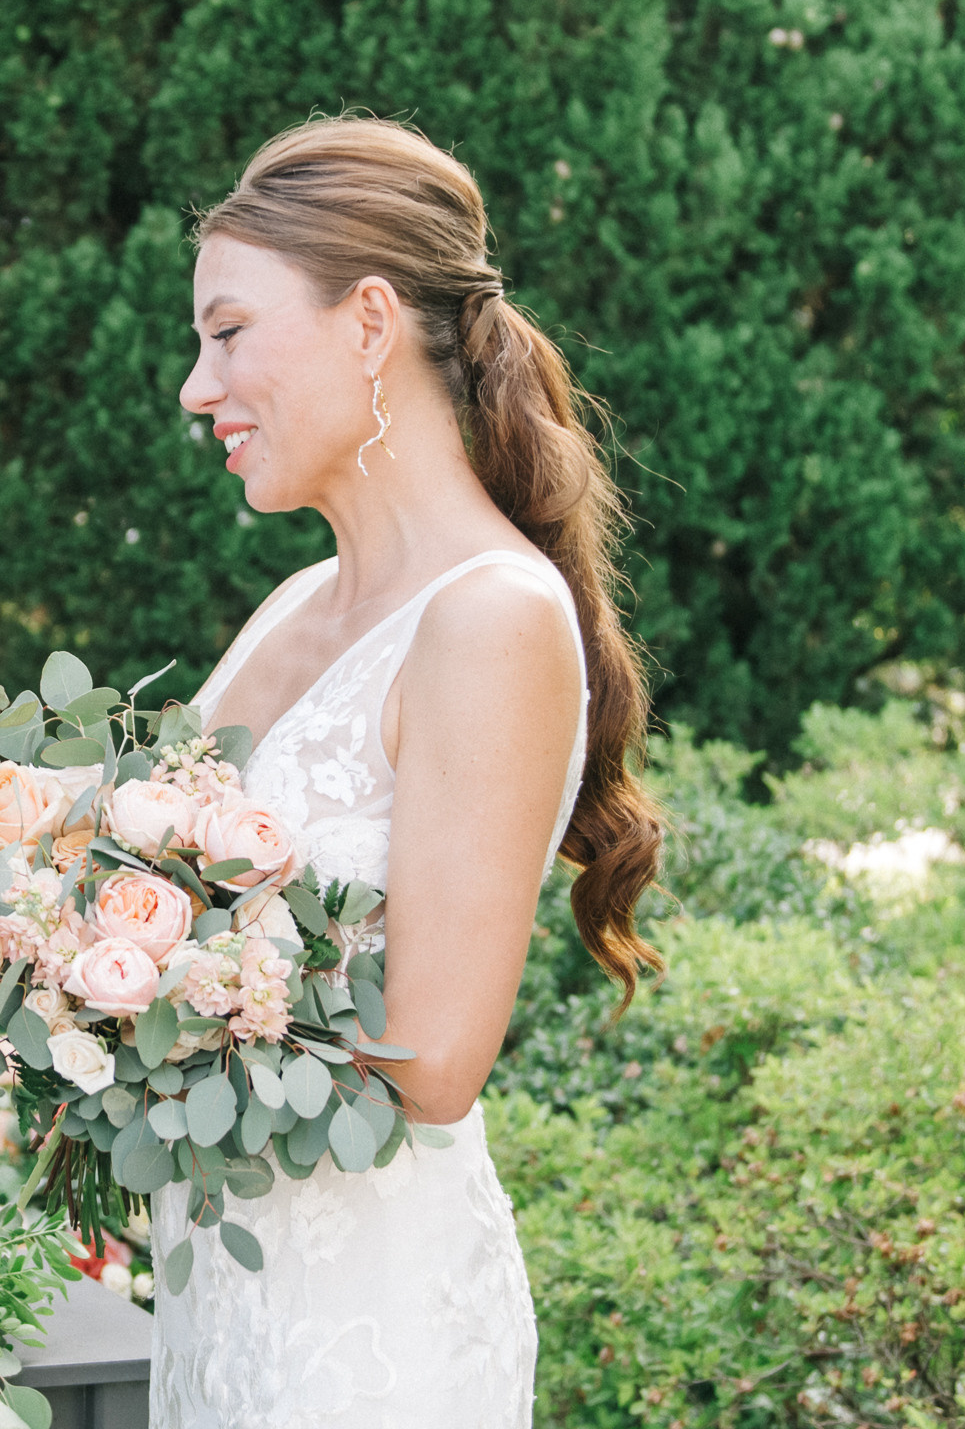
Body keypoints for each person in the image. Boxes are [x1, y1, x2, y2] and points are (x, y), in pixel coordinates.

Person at [150, 116, 665, 1427]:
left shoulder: (490, 617)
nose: (197, 387)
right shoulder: (294, 606)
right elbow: (75, 888)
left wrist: (145, 989)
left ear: (370, 322)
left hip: (364, 1344)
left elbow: (432, 1061)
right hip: (222, 1300)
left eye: (228, 332)